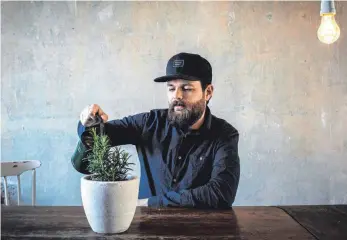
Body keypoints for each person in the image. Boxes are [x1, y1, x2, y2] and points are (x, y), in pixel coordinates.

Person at [71, 52, 240, 209]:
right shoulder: (149, 123)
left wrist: (149, 203)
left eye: (187, 88)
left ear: (208, 92)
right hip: (148, 229)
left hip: (202, 230)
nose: (177, 96)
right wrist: (89, 122)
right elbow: (99, 136)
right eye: (171, 88)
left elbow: (221, 192)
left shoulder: (224, 135)